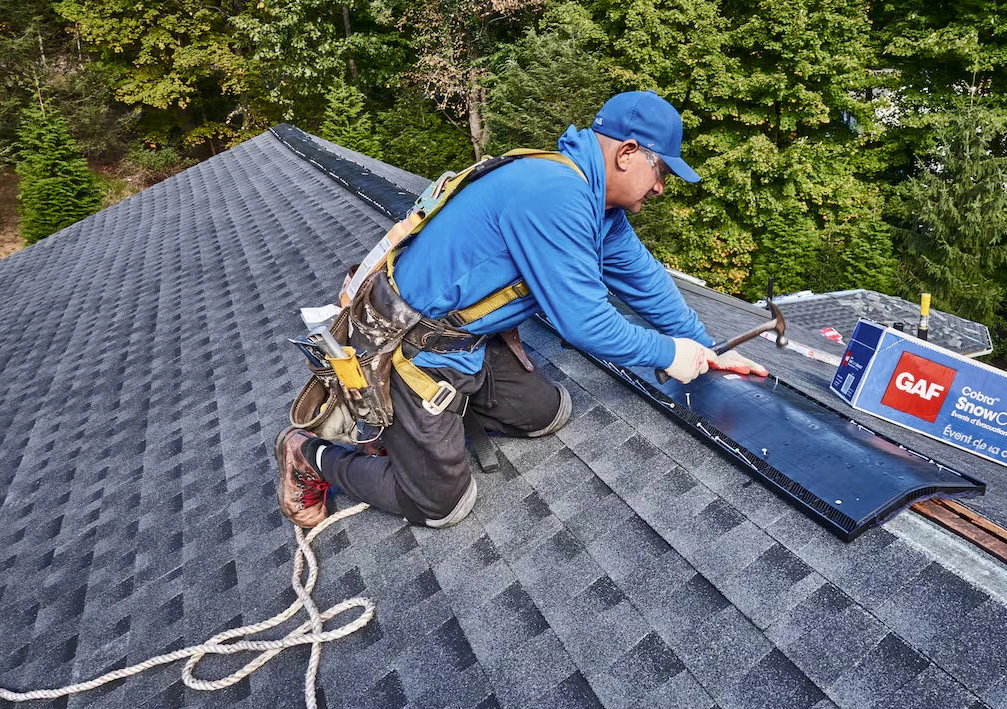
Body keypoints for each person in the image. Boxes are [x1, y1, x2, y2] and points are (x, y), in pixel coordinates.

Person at [276, 90, 766, 529]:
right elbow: (586, 323)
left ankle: (433, 425)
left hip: (469, 343)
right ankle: (309, 455)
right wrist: (668, 354)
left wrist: (706, 346)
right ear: (628, 152)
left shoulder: (595, 203)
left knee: (547, 413)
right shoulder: (554, 193)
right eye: (661, 172)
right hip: (412, 351)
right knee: (441, 505)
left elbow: (644, 279)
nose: (661, 188)